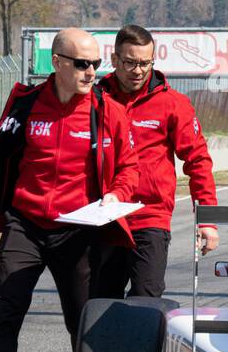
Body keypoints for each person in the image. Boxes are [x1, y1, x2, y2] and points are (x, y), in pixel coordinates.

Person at [0, 27, 140, 352]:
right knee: (7, 308)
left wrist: (116, 193)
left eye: (96, 64)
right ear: (57, 63)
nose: (91, 71)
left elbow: (129, 167)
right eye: (82, 64)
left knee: (84, 320)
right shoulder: (25, 106)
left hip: (78, 231)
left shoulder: (108, 112)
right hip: (26, 224)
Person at [94, 24, 219, 297]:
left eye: (145, 63)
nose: (138, 71)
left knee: (146, 302)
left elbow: (198, 160)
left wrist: (207, 219)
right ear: (114, 60)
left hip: (149, 218)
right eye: (130, 63)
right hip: (103, 218)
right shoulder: (94, 101)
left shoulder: (173, 104)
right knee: (97, 305)